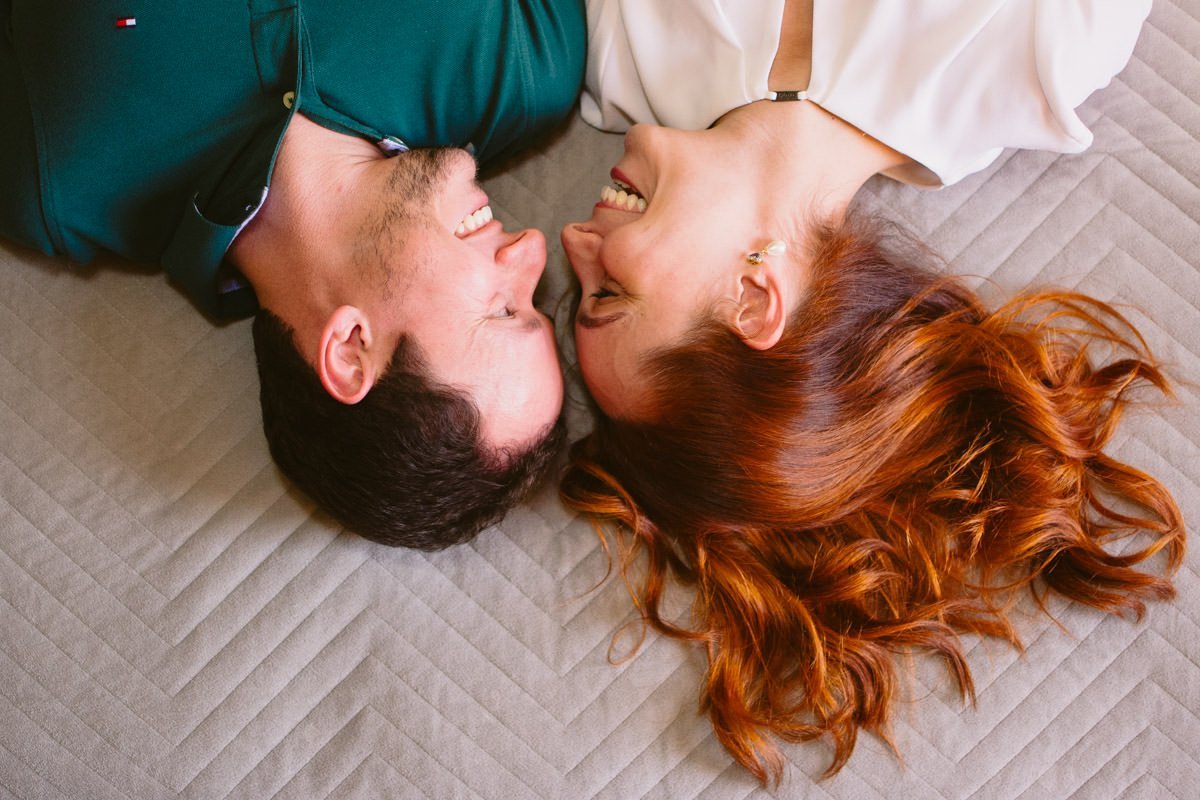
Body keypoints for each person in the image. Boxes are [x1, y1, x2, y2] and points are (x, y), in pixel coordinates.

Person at [559, 0, 1185, 784]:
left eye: (586, 292)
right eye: (608, 292)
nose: (573, 241)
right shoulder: (1039, 54)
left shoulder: (611, 54)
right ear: (753, 299)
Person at [0, 0, 586, 549]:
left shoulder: (53, 169)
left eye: (505, 309)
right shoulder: (524, 71)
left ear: (352, 349)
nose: (532, 248)